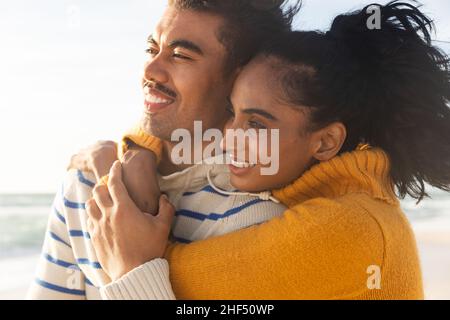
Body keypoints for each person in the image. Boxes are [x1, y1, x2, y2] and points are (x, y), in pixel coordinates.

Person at [82, 1, 450, 299]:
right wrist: (139, 151)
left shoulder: (352, 228)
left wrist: (116, 176)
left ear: (325, 142)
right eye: (231, 112)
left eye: (256, 124)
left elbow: (150, 269)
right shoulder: (313, 190)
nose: (228, 139)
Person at [27, 0, 300, 299]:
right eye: (151, 49)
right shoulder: (86, 184)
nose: (151, 69)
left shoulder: (255, 221)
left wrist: (130, 271)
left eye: (180, 55)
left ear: (240, 80)